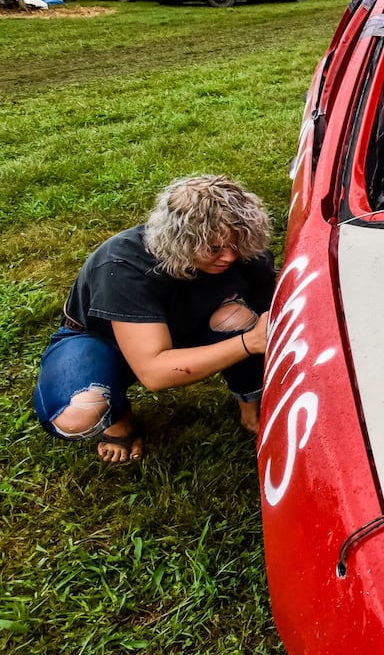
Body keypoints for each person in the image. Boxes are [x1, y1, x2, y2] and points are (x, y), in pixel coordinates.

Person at [32, 175, 277, 462]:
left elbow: (273, 311)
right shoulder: (123, 265)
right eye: (213, 249)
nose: (229, 257)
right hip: (101, 341)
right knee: (76, 415)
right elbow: (155, 373)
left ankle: (251, 404)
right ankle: (119, 419)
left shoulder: (242, 250)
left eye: (237, 244)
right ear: (180, 240)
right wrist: (250, 343)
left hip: (184, 327)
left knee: (240, 318)